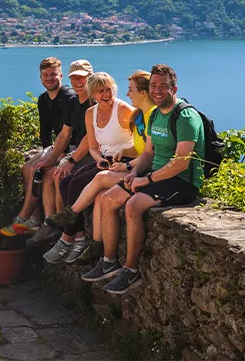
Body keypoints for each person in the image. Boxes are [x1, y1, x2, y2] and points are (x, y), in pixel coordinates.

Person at [82, 63, 204, 295]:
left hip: (182, 182)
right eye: (153, 85)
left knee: (133, 205)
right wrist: (134, 173)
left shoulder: (185, 116)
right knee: (108, 199)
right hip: (156, 176)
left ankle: (131, 270)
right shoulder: (156, 114)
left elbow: (181, 162)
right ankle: (109, 262)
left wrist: (146, 181)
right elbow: (148, 152)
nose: (157, 90)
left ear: (174, 88)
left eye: (163, 86)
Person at [44, 70, 155, 263]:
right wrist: (98, 159)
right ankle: (78, 236)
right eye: (100, 91)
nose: (106, 94)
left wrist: (125, 160)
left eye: (109, 89)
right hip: (104, 159)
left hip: (123, 163)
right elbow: (94, 147)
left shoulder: (126, 111)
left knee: (76, 185)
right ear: (93, 94)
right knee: (65, 183)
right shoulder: (90, 113)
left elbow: (143, 147)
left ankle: (68, 238)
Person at [0, 56, 75, 237]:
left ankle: (23, 216)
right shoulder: (43, 99)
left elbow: (68, 134)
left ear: (61, 75)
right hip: (56, 145)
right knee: (26, 168)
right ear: (40, 78)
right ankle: (33, 219)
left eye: (53, 74)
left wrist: (52, 157)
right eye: (45, 75)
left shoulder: (68, 97)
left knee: (36, 170)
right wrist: (46, 151)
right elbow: (45, 131)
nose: (49, 78)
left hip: (69, 146)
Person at [23, 59, 95, 246]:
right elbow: (63, 134)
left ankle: (64, 232)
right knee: (38, 169)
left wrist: (68, 159)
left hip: (92, 154)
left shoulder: (94, 101)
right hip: (72, 150)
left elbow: (89, 139)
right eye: (75, 78)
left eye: (82, 78)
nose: (78, 82)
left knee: (56, 175)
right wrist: (50, 158)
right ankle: (48, 222)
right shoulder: (73, 101)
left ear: (90, 77)